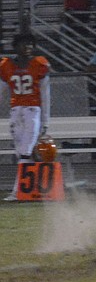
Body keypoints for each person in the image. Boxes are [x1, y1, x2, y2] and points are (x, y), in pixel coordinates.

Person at [0, 33, 50, 201]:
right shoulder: (6, 65)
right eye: (24, 44)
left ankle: (18, 191)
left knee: (26, 151)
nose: (27, 47)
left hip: (32, 111)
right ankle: (33, 189)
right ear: (16, 46)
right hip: (16, 112)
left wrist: (45, 121)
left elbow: (45, 95)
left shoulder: (39, 64)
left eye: (30, 44)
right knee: (20, 151)